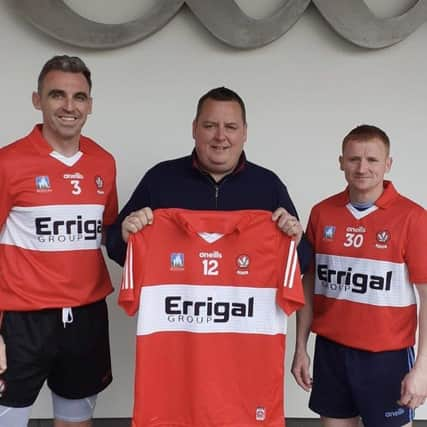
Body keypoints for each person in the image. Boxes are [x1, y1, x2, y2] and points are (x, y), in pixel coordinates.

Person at [0, 55, 118, 427]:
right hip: (21, 321)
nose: (69, 107)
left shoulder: (104, 162)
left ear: (90, 105)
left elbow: (109, 235)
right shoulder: (8, 163)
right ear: (38, 100)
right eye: (57, 95)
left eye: (79, 97)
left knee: (75, 421)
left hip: (86, 317)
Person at [291, 125, 427, 427]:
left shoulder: (412, 218)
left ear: (388, 164)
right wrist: (301, 348)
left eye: (372, 160)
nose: (362, 168)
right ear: (341, 162)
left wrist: (423, 368)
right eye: (353, 159)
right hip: (330, 351)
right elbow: (309, 284)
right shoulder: (322, 213)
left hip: (386, 357)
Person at [106, 86, 311, 270]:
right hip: (178, 310)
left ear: (244, 133)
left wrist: (296, 241)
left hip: (244, 310)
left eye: (231, 127)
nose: (220, 136)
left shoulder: (268, 185)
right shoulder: (160, 179)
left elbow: (302, 263)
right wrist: (126, 237)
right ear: (194, 128)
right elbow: (115, 248)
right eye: (210, 126)